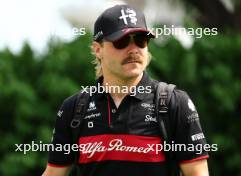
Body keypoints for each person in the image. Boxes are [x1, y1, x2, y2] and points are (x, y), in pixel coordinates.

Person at [42, 4, 209, 176]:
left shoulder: (175, 103)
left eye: (140, 40)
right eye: (121, 41)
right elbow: (53, 173)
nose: (134, 49)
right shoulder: (73, 109)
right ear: (98, 50)